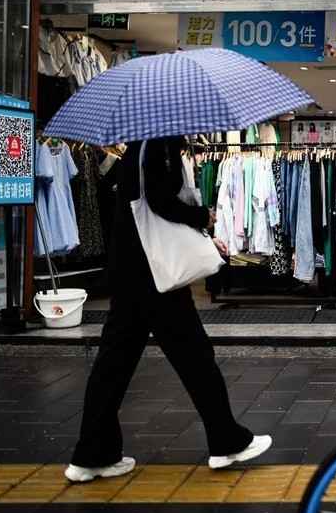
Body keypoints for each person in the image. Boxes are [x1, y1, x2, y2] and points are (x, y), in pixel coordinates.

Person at [65, 136, 271, 483]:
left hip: (131, 270)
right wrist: (201, 216)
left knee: (114, 363)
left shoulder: (138, 147)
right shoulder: (159, 145)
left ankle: (91, 454)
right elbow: (160, 201)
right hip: (154, 274)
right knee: (195, 357)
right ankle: (227, 441)